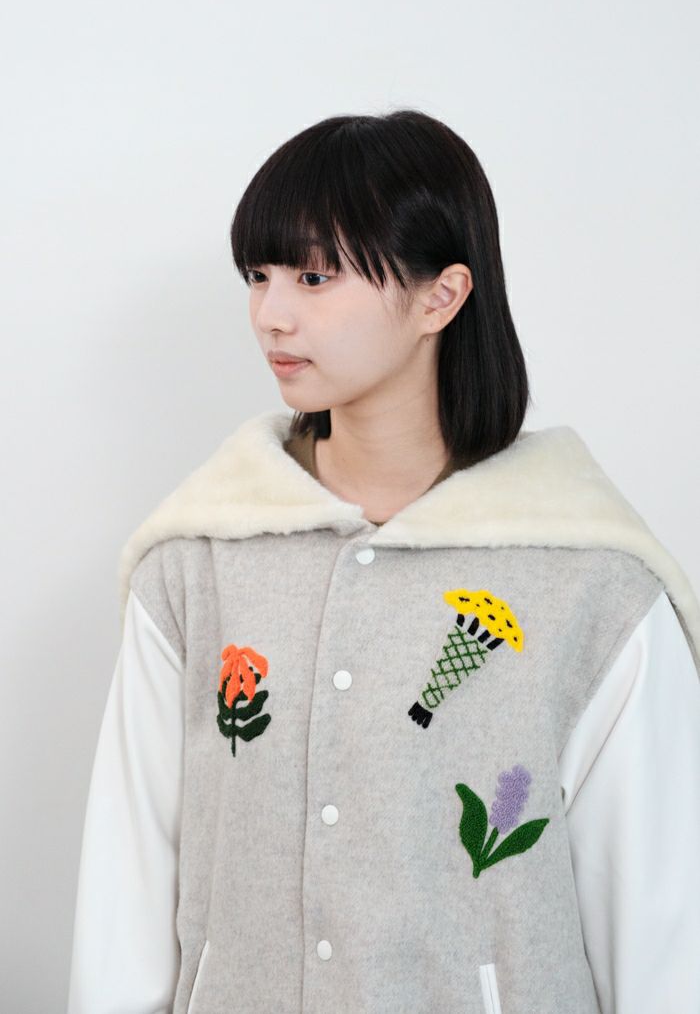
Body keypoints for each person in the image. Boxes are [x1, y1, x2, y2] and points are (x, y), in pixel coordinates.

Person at [67, 109, 700, 1014]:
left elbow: (666, 933)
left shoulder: (593, 586)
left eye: (314, 276)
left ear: (442, 297)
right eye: (258, 276)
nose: (271, 314)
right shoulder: (196, 563)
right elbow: (124, 891)